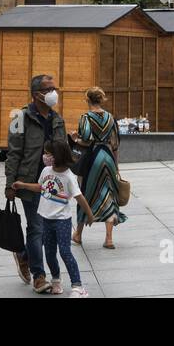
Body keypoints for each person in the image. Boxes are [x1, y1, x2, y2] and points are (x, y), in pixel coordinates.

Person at [4, 74, 68, 294]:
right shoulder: (19, 117)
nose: (53, 92)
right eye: (48, 89)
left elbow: (62, 149)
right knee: (37, 228)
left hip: (54, 185)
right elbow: (12, 153)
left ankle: (23, 255)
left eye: (54, 88)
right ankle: (39, 277)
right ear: (36, 94)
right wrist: (10, 183)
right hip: (30, 182)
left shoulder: (57, 119)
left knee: (49, 229)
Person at [11, 139, 94, 296]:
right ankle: (56, 280)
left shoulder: (69, 177)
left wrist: (89, 215)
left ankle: (78, 286)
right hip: (46, 219)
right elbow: (40, 187)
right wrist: (23, 185)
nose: (45, 156)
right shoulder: (46, 171)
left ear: (58, 155)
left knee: (65, 252)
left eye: (48, 153)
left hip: (62, 221)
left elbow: (79, 197)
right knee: (49, 253)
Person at [71, 87, 126, 248]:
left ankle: (78, 234)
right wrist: (116, 167)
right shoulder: (110, 117)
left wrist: (75, 139)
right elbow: (115, 144)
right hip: (108, 158)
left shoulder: (86, 117)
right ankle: (109, 239)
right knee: (109, 195)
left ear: (87, 100)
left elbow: (86, 140)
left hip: (92, 159)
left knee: (85, 193)